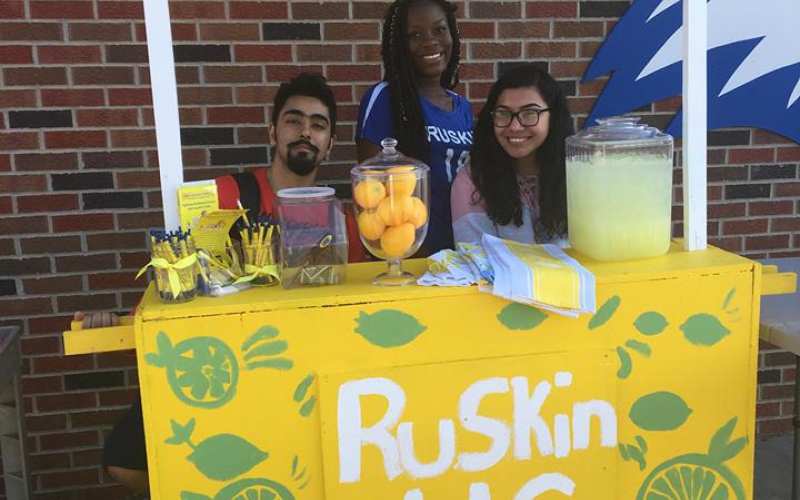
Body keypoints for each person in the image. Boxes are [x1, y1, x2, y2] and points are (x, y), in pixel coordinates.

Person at [79, 72, 362, 497]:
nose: (306, 132)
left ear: (330, 143)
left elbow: (354, 307)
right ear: (273, 131)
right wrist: (126, 322)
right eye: (294, 120)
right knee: (124, 459)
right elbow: (179, 271)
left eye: (317, 125)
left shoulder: (341, 219)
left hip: (297, 377)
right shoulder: (224, 195)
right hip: (222, 369)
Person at [356, 0, 472, 255]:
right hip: (410, 254)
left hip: (463, 255)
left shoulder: (463, 107)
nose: (431, 41)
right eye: (415, 35)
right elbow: (371, 193)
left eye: (439, 30)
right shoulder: (385, 98)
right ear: (399, 44)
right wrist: (408, 255)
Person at [450, 64, 574, 246]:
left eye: (530, 112)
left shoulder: (579, 174)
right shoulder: (472, 181)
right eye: (503, 113)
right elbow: (475, 255)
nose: (515, 127)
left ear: (553, 117)